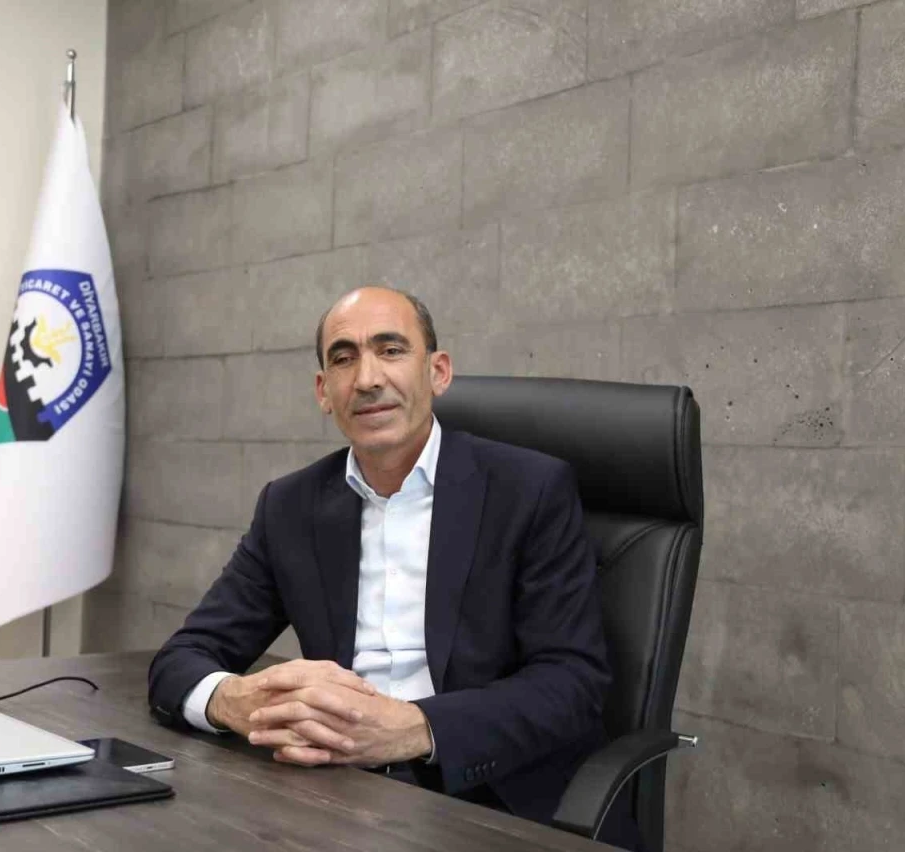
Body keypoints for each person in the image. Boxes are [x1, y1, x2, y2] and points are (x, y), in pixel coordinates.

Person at [148, 286, 638, 849]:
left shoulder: (529, 490)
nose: (367, 378)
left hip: (486, 793)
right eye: (343, 358)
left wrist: (415, 728)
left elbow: (572, 682)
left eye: (391, 350)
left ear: (438, 372)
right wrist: (237, 702)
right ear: (323, 391)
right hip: (331, 790)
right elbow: (180, 660)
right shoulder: (290, 507)